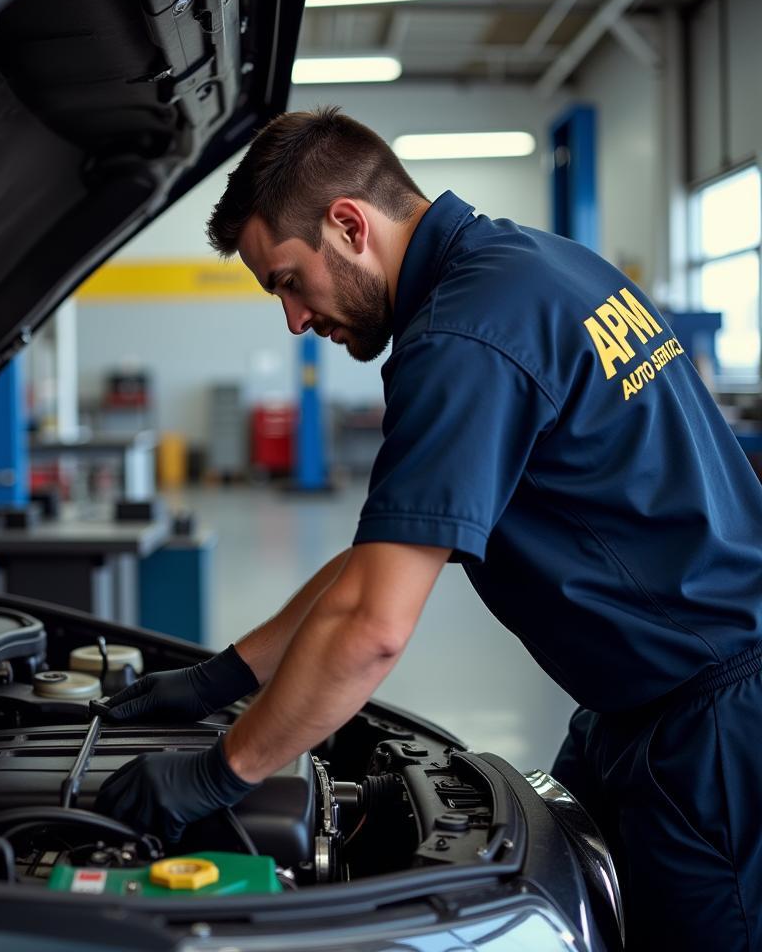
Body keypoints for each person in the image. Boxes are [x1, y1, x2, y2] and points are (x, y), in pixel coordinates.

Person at [94, 107, 762, 950]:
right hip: (647, 706)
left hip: (713, 738)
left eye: (289, 282)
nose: (295, 320)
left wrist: (222, 769)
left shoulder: (461, 337)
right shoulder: (539, 264)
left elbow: (373, 627)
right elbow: (385, 562)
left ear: (347, 224)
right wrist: (222, 678)